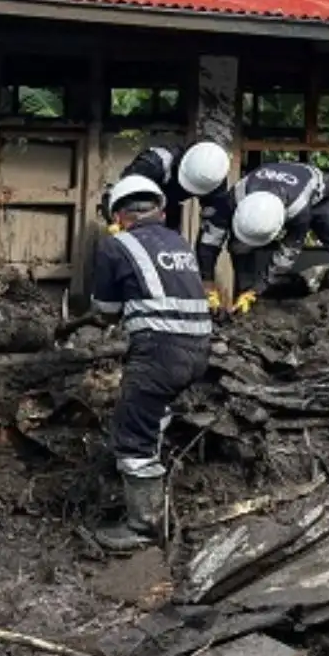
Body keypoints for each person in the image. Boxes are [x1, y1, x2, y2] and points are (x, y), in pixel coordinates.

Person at [56, 175, 212, 551]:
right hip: (199, 350)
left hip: (160, 352)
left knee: (133, 434)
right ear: (159, 209)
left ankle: (143, 526)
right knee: (155, 417)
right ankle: (158, 501)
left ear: (119, 215)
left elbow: (107, 312)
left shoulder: (117, 246)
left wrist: (73, 325)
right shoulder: (179, 243)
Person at [196, 160, 329, 348]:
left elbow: (286, 255)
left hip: (321, 200)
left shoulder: (298, 213)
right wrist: (207, 284)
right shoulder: (234, 197)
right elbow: (208, 241)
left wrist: (258, 288)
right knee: (239, 247)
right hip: (276, 195)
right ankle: (244, 309)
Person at [110, 140, 232, 234]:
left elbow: (214, 224)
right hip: (137, 215)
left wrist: (204, 266)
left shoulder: (213, 176)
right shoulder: (153, 163)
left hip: (170, 212)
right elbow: (119, 195)